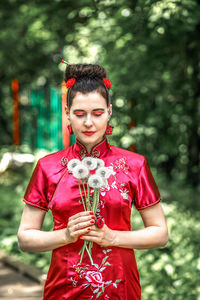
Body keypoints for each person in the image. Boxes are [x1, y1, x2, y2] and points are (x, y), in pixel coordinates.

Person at [18, 63, 168, 300]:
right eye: (79, 114)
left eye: (97, 113)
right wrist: (65, 235)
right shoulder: (48, 167)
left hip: (121, 288)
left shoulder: (134, 165)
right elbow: (25, 238)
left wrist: (114, 238)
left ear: (109, 111)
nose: (89, 122)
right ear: (67, 113)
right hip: (64, 290)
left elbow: (160, 233)